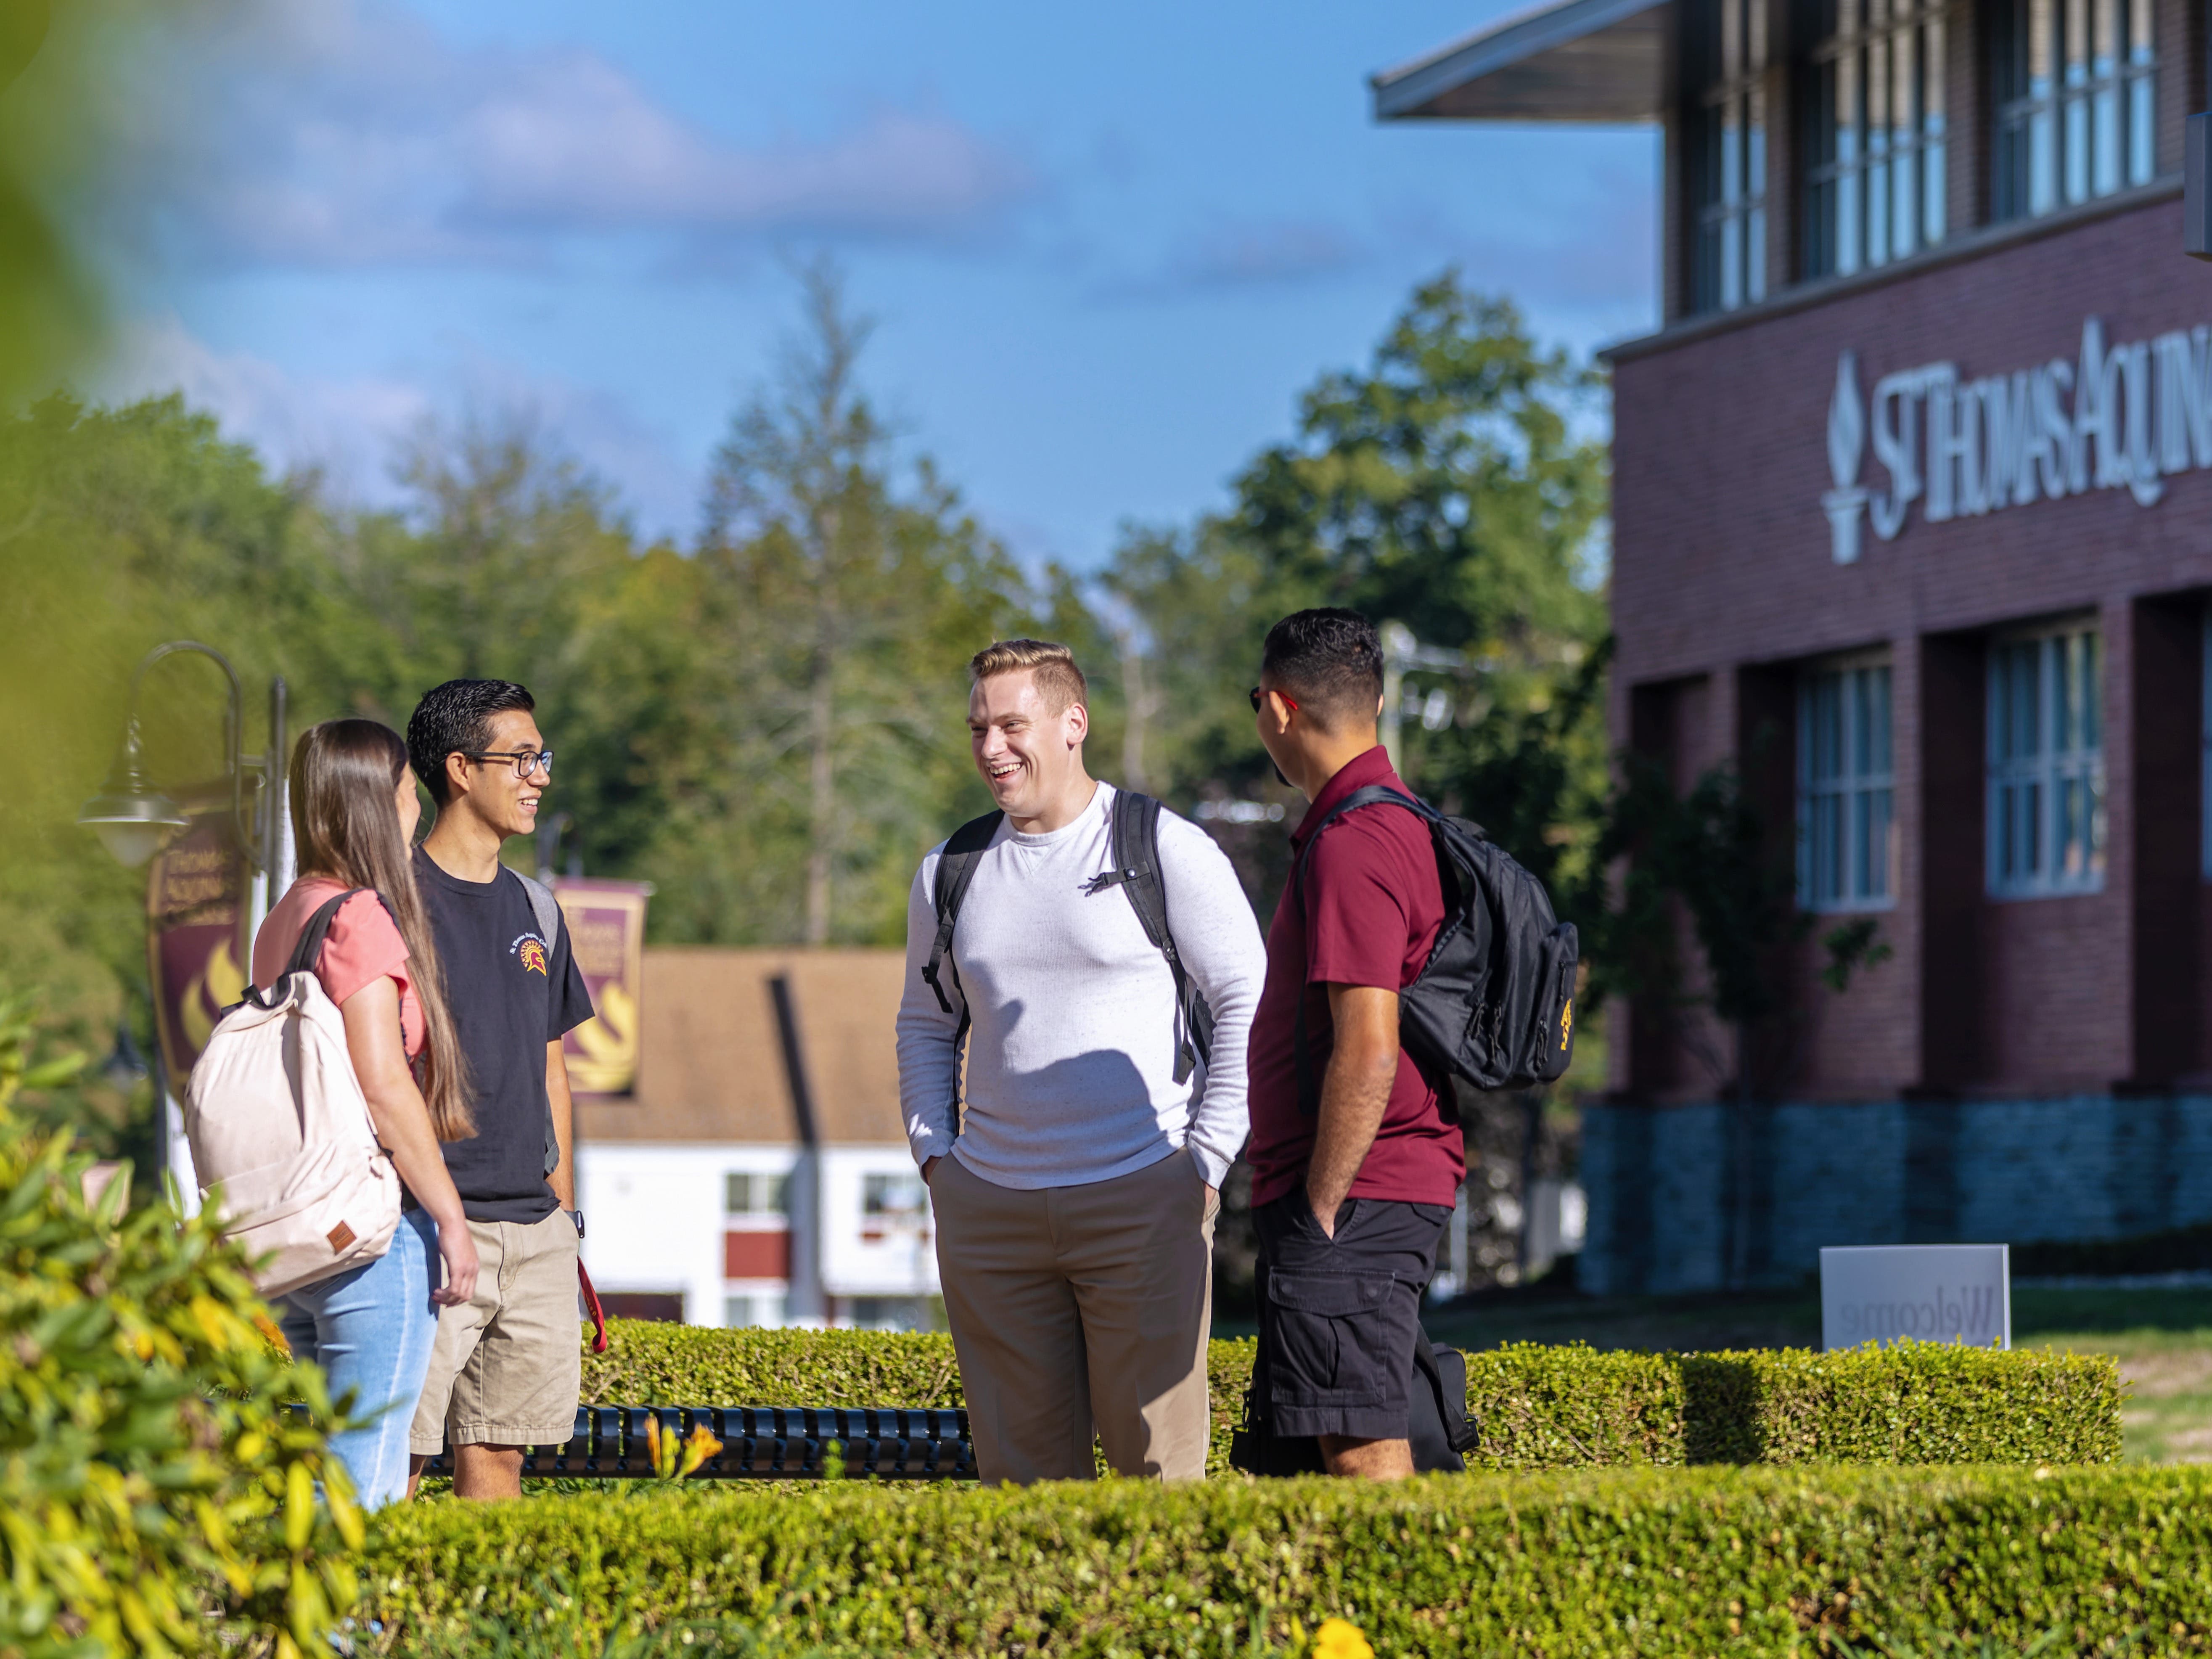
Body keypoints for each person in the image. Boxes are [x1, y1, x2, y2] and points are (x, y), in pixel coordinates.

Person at [896, 638, 1267, 1484]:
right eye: (977, 727)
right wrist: (936, 1159)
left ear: (1073, 723)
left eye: (1010, 724)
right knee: (1020, 1491)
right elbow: (924, 1021)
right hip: (988, 1207)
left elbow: (1247, 1000)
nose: (990, 746)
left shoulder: (1164, 847)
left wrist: (1204, 1160)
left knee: (1159, 1480)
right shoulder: (948, 870)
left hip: (1144, 1194)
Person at [1244, 608, 1465, 1481]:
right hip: (1373, 1188)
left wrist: (1321, 1210)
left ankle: (1400, 1620)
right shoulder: (1384, 823)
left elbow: (1368, 1048)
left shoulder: (1354, 844)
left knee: (1359, 1445)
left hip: (1358, 1193)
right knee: (1327, 1443)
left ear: (1280, 708)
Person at [250, 718, 482, 1509]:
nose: (417, 807)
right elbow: (384, 1083)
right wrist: (450, 1218)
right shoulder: (360, 917)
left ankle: (295, 1622)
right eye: (409, 792)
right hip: (370, 1236)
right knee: (368, 1477)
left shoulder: (288, 915)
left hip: (298, 1232)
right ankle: (343, 1633)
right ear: (376, 805)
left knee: (326, 1460)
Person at [401, 678, 594, 1501]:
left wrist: (566, 1215)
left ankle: (482, 1632)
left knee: (500, 1459)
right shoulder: (389, 902)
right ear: (458, 769)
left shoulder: (539, 910)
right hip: (423, 1231)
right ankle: (362, 1629)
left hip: (533, 1232)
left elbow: (553, 1067)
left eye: (539, 756)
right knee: (394, 1460)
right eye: (519, 757)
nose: (538, 774)